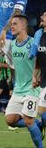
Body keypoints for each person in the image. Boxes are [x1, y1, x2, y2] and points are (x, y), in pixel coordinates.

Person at [4, 15, 44, 148]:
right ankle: (39, 125)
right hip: (18, 89)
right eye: (11, 24)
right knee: (10, 120)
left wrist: (38, 78)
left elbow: (40, 63)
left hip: (32, 89)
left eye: (14, 24)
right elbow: (13, 65)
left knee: (27, 119)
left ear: (23, 26)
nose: (12, 27)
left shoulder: (34, 43)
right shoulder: (12, 45)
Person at [31, 11, 46, 139]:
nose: (41, 17)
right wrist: (35, 76)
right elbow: (37, 58)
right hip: (43, 78)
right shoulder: (40, 35)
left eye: (45, 16)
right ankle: (42, 125)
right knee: (41, 110)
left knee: (41, 110)